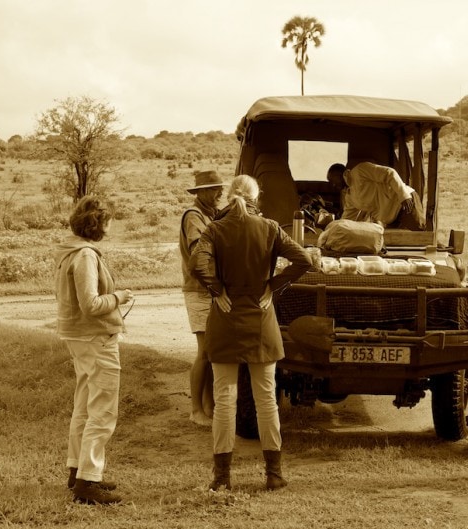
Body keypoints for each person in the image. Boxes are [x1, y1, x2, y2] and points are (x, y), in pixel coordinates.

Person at [189, 174, 310, 492]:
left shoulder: (215, 229)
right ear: (258, 197)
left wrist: (216, 290)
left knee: (225, 400)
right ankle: (273, 473)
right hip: (261, 320)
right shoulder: (270, 227)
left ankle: (222, 478)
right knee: (266, 400)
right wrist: (273, 285)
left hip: (226, 320)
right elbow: (304, 259)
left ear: (229, 196)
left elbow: (197, 263)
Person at [53, 196, 134, 505]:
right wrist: (118, 297)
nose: (110, 226)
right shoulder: (85, 255)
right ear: (96, 224)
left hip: (79, 338)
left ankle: (78, 472)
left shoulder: (68, 250)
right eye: (107, 221)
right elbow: (91, 304)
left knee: (85, 406)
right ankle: (88, 481)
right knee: (102, 410)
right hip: (96, 338)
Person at [180, 170, 226, 427]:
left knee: (210, 351)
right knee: (204, 352)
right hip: (199, 290)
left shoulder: (209, 214)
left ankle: (208, 406)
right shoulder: (194, 216)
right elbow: (198, 253)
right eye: (214, 189)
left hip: (207, 290)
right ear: (201, 193)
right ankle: (196, 409)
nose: (220, 193)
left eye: (219, 188)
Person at [326, 162, 424, 229]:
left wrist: (404, 196)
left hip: (404, 203)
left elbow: (390, 173)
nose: (333, 185)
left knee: (419, 238)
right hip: (391, 218)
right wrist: (335, 228)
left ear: (340, 173)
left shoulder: (359, 171)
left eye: (332, 180)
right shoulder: (349, 196)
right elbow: (347, 218)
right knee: (399, 246)